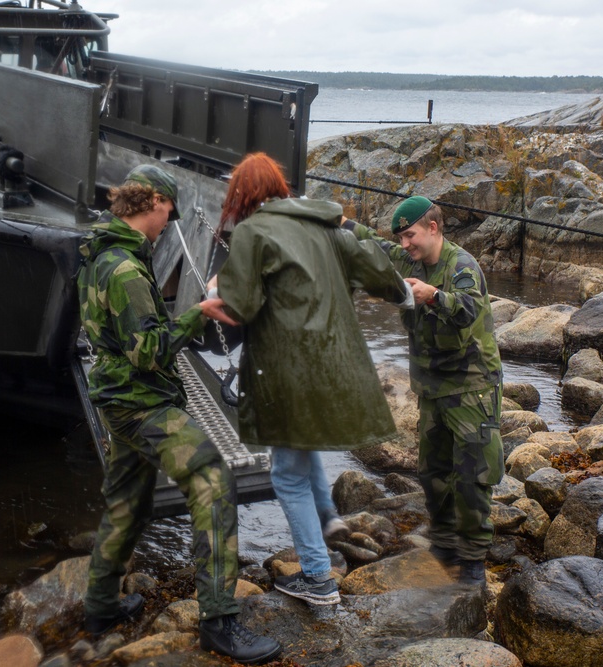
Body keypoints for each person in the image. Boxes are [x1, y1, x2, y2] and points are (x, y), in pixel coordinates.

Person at [77, 164, 281, 665]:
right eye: (169, 209)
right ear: (152, 202)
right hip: (141, 402)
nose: (170, 220)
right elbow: (148, 351)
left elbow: (127, 334)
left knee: (127, 499)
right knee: (213, 481)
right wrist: (200, 313)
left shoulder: (103, 253)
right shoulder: (125, 268)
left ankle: (101, 607)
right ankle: (219, 621)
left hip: (117, 399)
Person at [211, 153, 412, 606]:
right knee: (303, 450)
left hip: (289, 373)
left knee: (285, 475)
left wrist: (212, 294)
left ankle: (318, 578)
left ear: (243, 194)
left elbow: (241, 306)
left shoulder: (252, 231)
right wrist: (406, 297)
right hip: (337, 367)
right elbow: (380, 272)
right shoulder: (326, 226)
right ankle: (328, 518)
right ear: (281, 186)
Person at [343, 196, 504, 586]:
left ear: (433, 228)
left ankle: (472, 558)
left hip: (471, 389)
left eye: (411, 235)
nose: (405, 244)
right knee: (433, 473)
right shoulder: (409, 260)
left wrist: (432, 295)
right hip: (432, 387)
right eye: (401, 237)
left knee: (472, 475)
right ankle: (445, 541)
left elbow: (467, 308)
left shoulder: (462, 266)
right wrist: (339, 223)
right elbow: (373, 246)